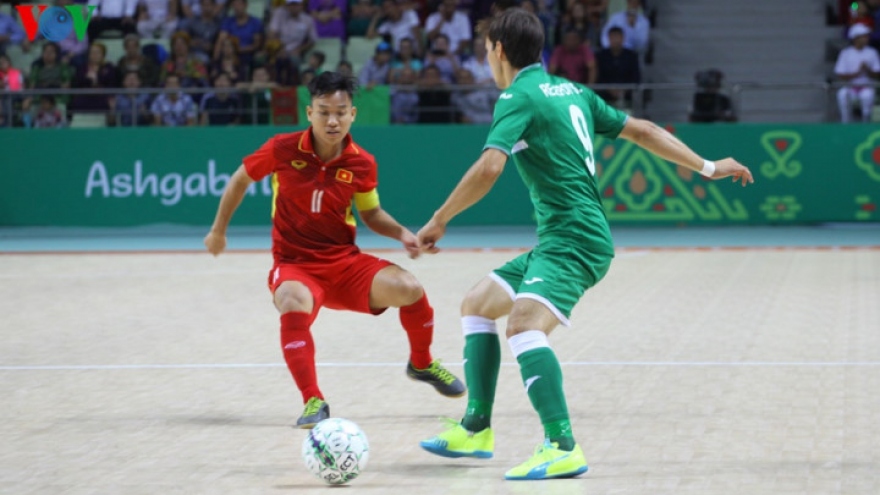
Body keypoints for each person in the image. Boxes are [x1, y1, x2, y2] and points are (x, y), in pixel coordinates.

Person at [416, 9, 753, 481]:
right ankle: (476, 428)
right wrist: (710, 166)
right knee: (477, 303)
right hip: (565, 235)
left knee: (523, 327)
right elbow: (645, 131)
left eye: (485, 49)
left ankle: (561, 445)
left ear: (498, 50)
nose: (485, 57)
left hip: (574, 239)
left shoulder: (517, 97)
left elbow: (490, 167)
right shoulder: (572, 90)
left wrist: (439, 219)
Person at [204, 71, 466, 428]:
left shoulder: (362, 162)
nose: (332, 120)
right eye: (324, 111)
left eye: (340, 112)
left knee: (410, 288)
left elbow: (371, 213)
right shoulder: (282, 148)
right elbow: (239, 180)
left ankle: (421, 362)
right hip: (296, 264)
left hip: (344, 264)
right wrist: (219, 231)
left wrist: (404, 234)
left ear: (353, 114)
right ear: (309, 112)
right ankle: (313, 400)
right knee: (293, 301)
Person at [835, 23, 880, 123]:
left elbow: (877, 74)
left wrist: (867, 70)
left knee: (866, 96)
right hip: (850, 87)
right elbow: (840, 74)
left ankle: (865, 124)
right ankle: (846, 124)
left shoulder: (872, 52)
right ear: (856, 38)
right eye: (864, 36)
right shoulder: (846, 53)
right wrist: (857, 73)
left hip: (867, 86)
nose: (867, 38)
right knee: (842, 94)